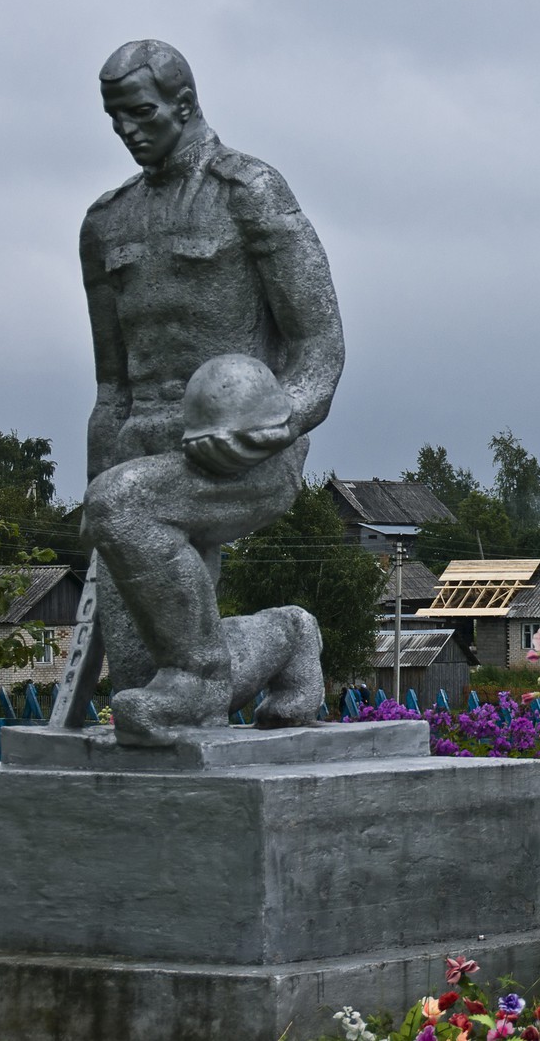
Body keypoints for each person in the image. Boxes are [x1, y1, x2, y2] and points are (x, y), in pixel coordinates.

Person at [78, 39, 345, 745]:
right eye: (115, 119)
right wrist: (95, 493)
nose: (128, 131)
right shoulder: (105, 223)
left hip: (242, 455)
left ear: (184, 104)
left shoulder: (249, 190)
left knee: (179, 672)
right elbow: (112, 384)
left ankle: (198, 677)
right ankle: (285, 639)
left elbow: (319, 345)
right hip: (140, 459)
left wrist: (281, 421)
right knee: (139, 690)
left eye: (140, 113)